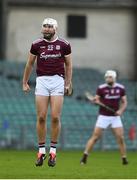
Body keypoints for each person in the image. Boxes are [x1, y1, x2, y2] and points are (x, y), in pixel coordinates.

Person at [22, 18, 72, 167]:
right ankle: (41, 151)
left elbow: (69, 65)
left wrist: (68, 83)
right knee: (42, 117)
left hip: (58, 81)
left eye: (50, 26)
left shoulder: (64, 45)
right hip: (42, 81)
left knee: (55, 117)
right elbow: (29, 63)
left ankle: (53, 152)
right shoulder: (36, 44)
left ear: (55, 29)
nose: (46, 28)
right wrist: (24, 82)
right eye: (45, 26)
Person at [80, 70, 128, 165]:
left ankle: (124, 159)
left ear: (114, 78)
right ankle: (84, 157)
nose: (108, 79)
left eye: (110, 77)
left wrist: (120, 111)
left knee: (121, 138)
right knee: (95, 137)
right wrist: (95, 101)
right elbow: (96, 99)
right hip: (103, 116)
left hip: (115, 117)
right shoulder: (101, 88)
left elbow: (125, 102)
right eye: (106, 77)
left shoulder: (121, 88)